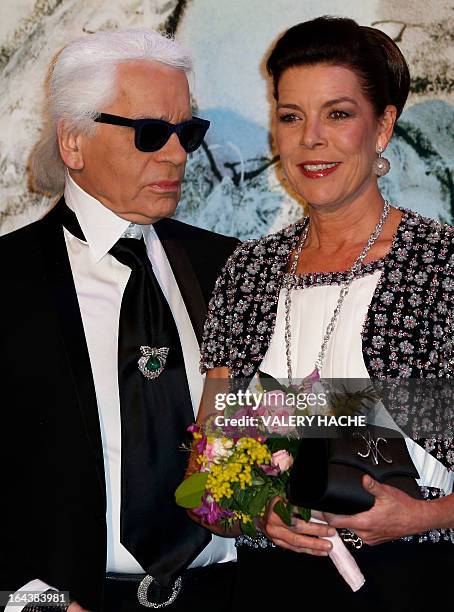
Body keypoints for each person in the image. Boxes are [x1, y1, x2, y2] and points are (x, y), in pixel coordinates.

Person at [193, 16, 454, 612]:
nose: (311, 139)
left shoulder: (439, 268)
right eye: (291, 116)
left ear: (382, 126)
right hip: (269, 587)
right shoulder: (248, 274)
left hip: (417, 580)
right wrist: (259, 514)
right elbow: (205, 476)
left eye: (338, 114)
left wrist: (421, 516)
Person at [0, 29, 239, 612]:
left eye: (188, 131)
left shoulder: (231, 267)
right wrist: (33, 602)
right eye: (151, 133)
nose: (178, 153)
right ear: (73, 142)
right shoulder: (5, 281)